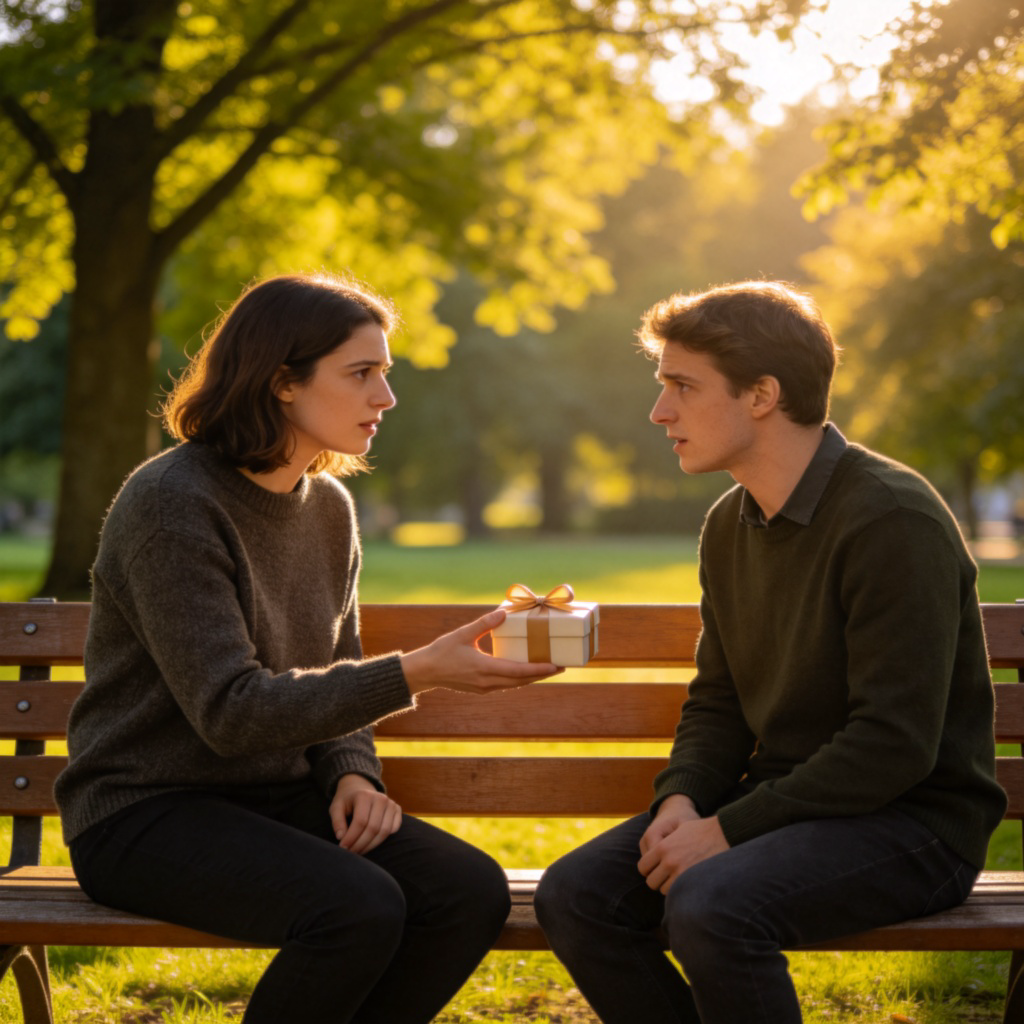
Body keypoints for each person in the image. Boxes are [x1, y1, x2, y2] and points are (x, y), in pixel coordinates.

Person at [54, 272, 560, 1024]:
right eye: (362, 375)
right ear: (282, 382)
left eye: (384, 375)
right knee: (356, 909)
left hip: (279, 800)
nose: (385, 399)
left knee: (467, 891)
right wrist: (420, 670)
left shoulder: (328, 507)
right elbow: (230, 712)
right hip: (144, 813)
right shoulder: (170, 504)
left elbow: (335, 663)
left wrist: (351, 774)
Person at [534, 280, 1006, 1024]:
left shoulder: (891, 518)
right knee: (574, 894)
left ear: (761, 395)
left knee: (712, 902)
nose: (660, 413)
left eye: (681, 387)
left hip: (913, 824)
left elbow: (893, 747)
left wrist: (724, 833)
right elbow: (719, 698)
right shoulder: (730, 522)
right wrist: (682, 799)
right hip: (779, 805)